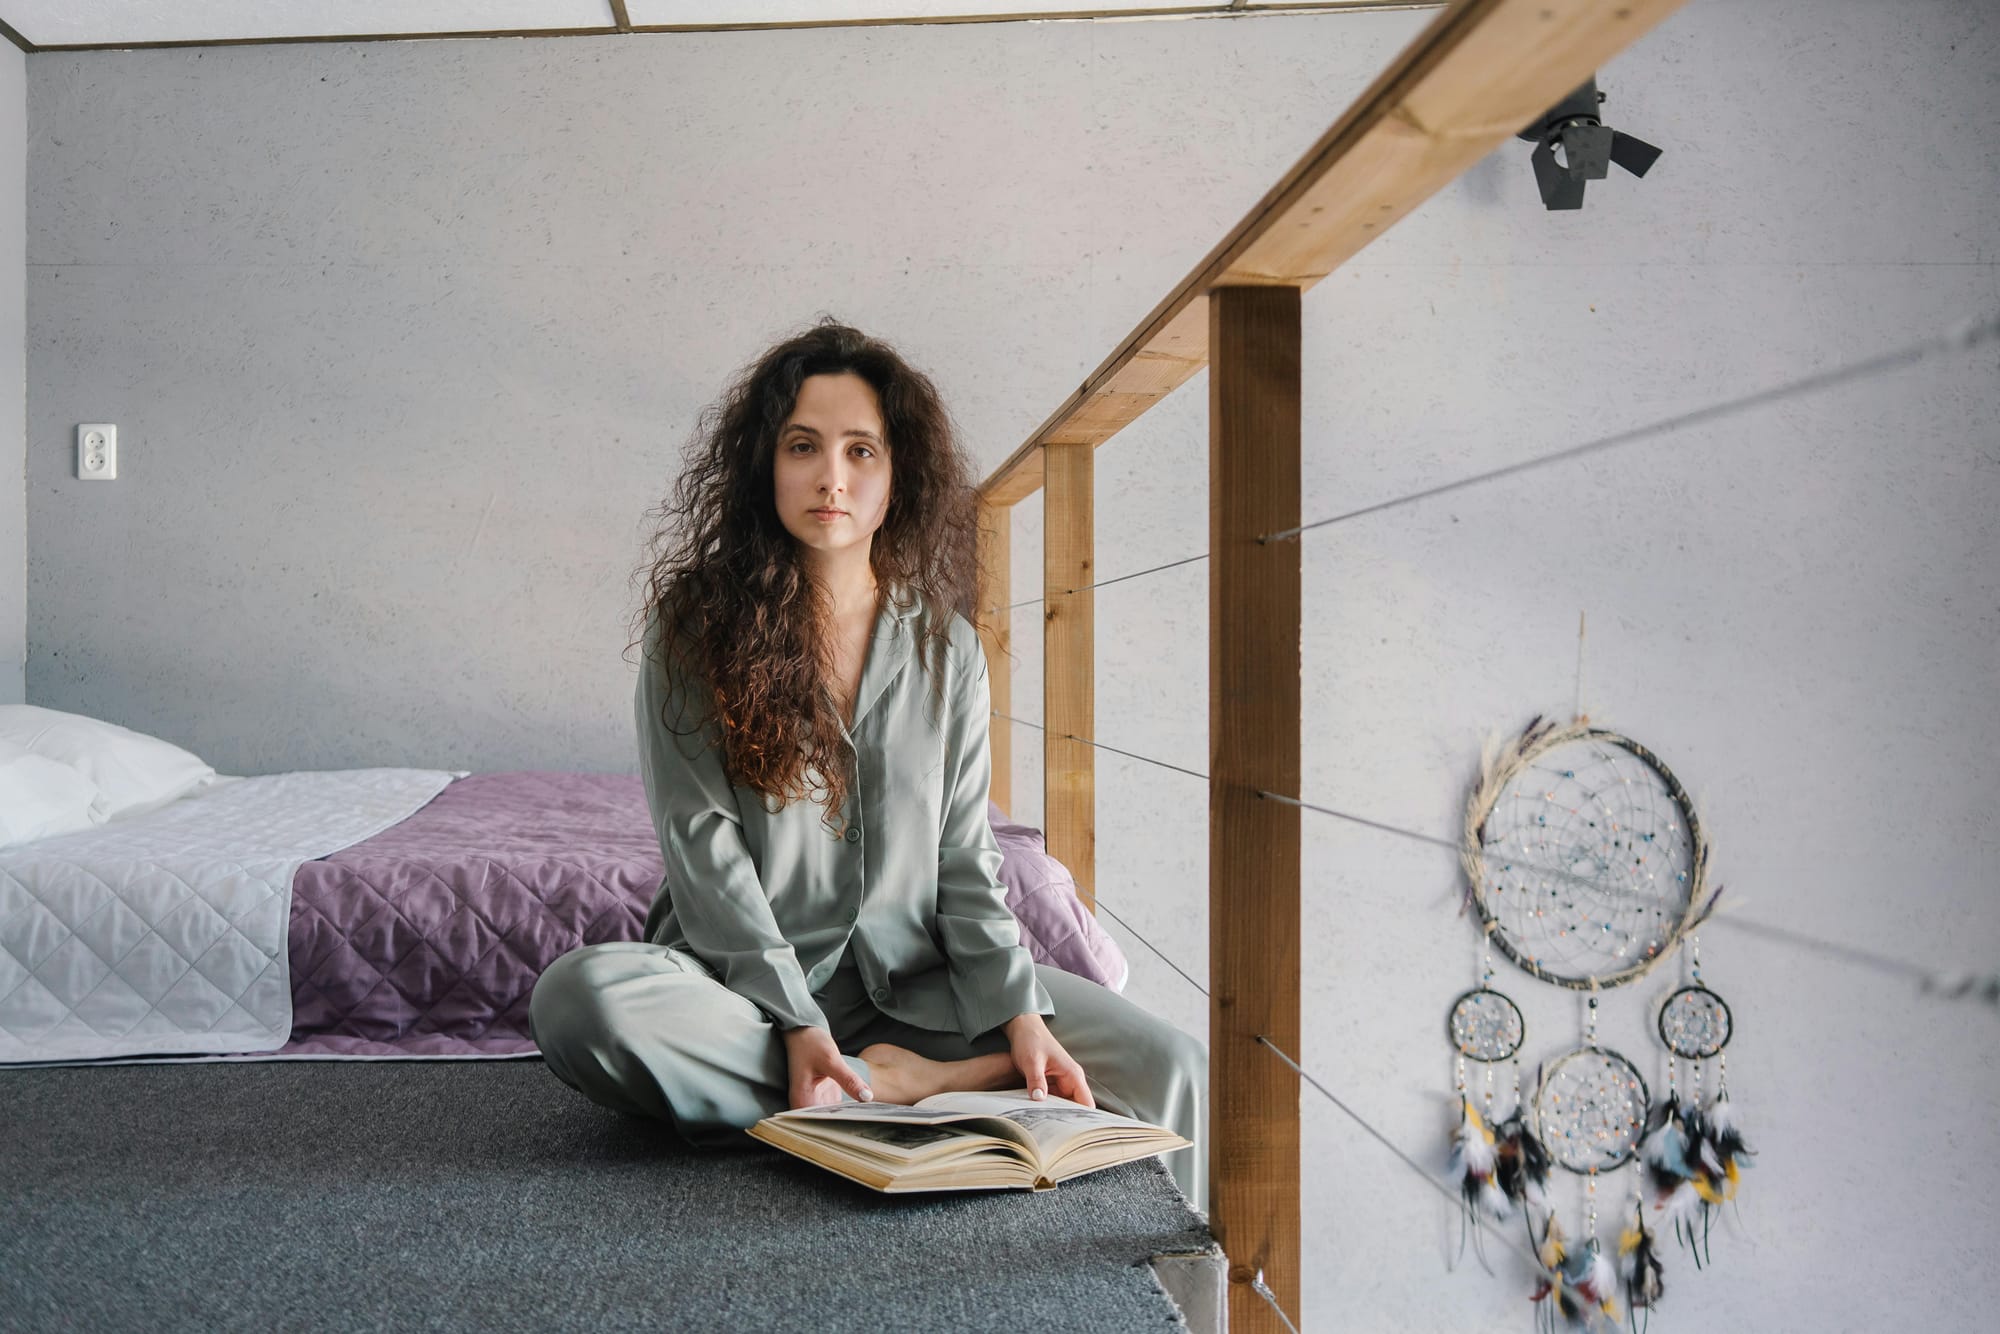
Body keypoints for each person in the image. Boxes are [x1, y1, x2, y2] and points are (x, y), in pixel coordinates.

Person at [528, 316, 1208, 1214]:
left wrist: (1021, 1016)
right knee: (580, 1002)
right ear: (765, 465)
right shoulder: (695, 625)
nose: (832, 477)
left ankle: (896, 1088)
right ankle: (913, 1087)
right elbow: (703, 847)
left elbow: (966, 860)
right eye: (803, 446)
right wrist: (798, 1020)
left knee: (1175, 1066)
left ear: (900, 477)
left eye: (861, 451)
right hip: (745, 992)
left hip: (925, 989)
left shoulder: (948, 651)